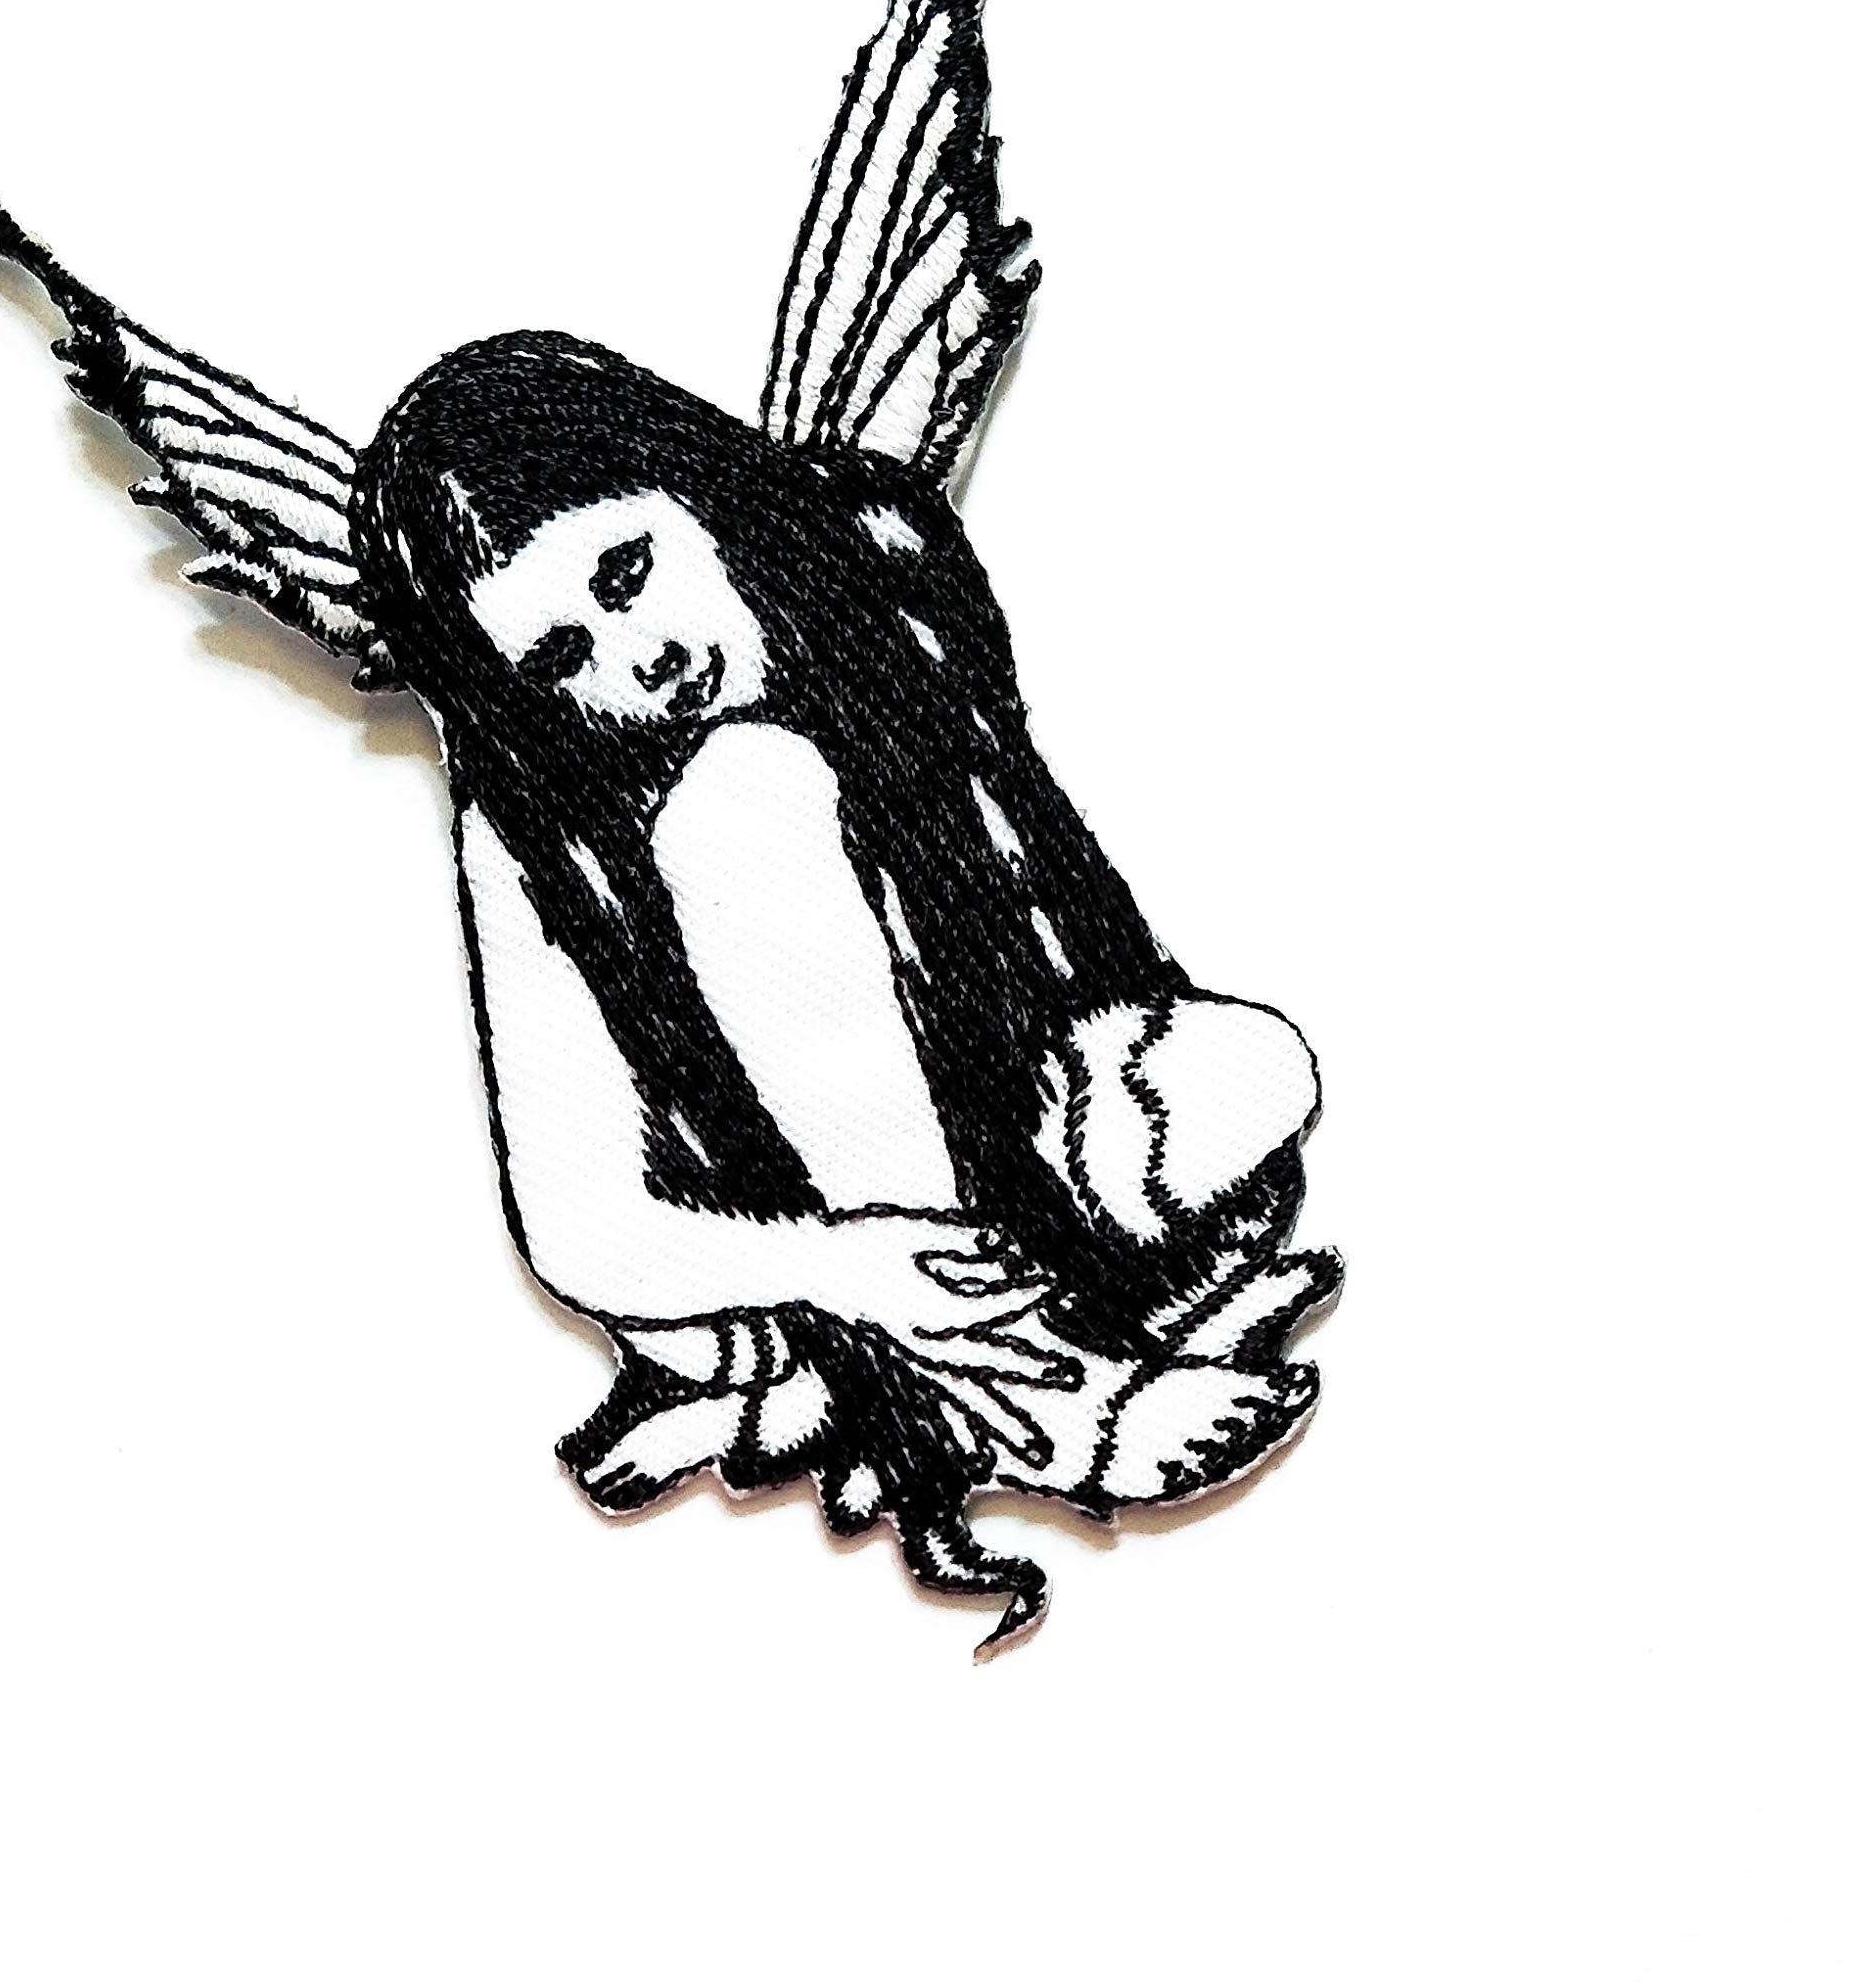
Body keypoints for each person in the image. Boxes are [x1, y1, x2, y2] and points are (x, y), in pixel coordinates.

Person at [354, 333, 1339, 1647]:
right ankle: (1055, 1409)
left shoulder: (867, 550)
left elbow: (1053, 879)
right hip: (808, 1224)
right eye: (562, 658)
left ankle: (1093, 1291)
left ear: (685, 484)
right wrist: (853, 1262)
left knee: (1252, 1074)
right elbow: (582, 1221)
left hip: (1035, 1101)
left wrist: (1098, 1089)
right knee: (738, 796)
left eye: (628, 572)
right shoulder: (531, 814)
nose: (638, 658)